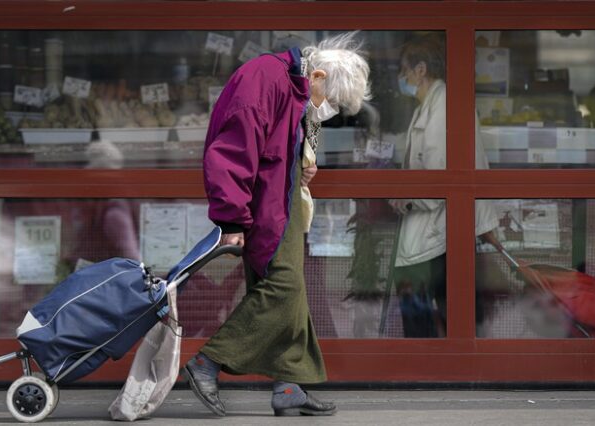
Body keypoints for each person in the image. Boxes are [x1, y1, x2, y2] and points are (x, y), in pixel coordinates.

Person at [183, 33, 370, 417]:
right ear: (317, 76)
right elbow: (231, 154)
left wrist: (306, 161)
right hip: (266, 205)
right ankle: (209, 362)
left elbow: (299, 133)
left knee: (292, 292)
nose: (330, 109)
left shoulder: (297, 85)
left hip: (281, 201)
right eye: (331, 100)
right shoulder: (265, 79)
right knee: (283, 286)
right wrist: (232, 218)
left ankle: (289, 385)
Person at [389, 34, 500, 337]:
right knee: (440, 303)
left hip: (437, 227)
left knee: (422, 302)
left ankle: (424, 366)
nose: (402, 77)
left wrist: (406, 199)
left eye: (404, 69)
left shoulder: (444, 104)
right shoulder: (432, 103)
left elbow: (439, 174)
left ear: (420, 70)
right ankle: (430, 364)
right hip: (438, 226)